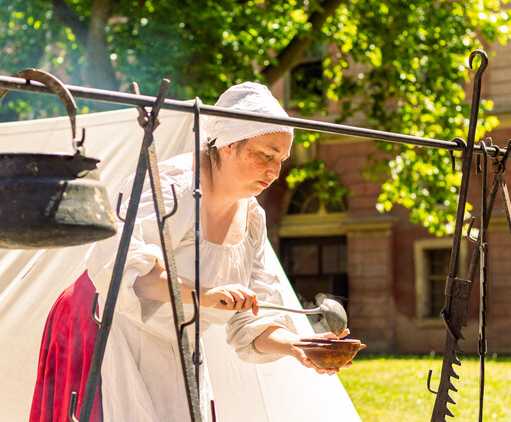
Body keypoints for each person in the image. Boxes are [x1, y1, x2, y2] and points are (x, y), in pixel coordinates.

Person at [30, 82, 348, 422]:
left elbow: (251, 322)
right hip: (106, 323)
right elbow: (121, 270)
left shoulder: (253, 219)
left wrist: (298, 345)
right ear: (227, 146)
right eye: (265, 155)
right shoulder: (173, 185)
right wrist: (206, 294)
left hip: (175, 342)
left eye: (280, 160)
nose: (274, 171)